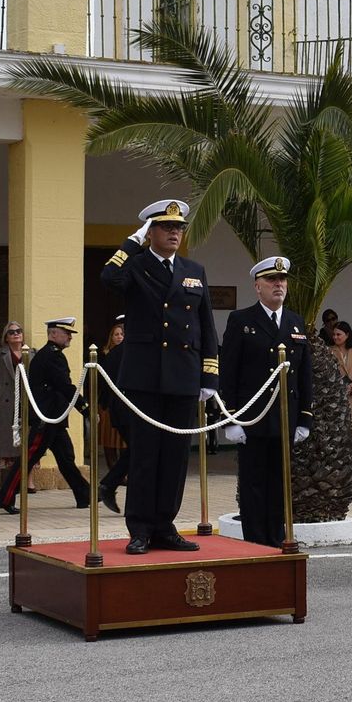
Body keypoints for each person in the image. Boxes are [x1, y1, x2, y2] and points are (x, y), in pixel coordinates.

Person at [100, 198, 216, 554]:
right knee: (145, 454)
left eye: (178, 228)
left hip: (182, 377)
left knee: (175, 457)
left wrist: (209, 376)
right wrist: (130, 243)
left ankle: (165, 525)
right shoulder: (135, 266)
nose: (174, 233)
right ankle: (140, 529)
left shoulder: (193, 270)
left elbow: (206, 325)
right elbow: (109, 277)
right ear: (150, 232)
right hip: (145, 376)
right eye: (166, 227)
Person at [219, 258, 314, 547]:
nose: (279, 285)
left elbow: (305, 373)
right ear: (257, 287)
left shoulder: (295, 321)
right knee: (254, 485)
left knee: (280, 485)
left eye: (282, 280)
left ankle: (277, 539)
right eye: (272, 281)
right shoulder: (241, 320)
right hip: (253, 420)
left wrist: (305, 418)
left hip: (285, 419)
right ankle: (256, 543)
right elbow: (229, 371)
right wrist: (233, 418)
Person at [0, 318, 90, 514]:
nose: (70, 336)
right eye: (66, 333)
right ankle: (5, 497)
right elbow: (65, 386)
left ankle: (84, 495)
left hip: (54, 417)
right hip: (46, 418)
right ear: (53, 334)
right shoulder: (52, 356)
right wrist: (84, 406)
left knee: (66, 458)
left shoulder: (51, 354)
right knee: (28, 458)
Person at [96, 316, 131, 514]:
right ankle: (109, 485)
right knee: (142, 451)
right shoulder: (128, 352)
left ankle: (109, 484)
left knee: (137, 451)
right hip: (130, 410)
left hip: (120, 411)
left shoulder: (115, 354)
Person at [0, 322, 25, 474]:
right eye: (11, 332)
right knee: (7, 445)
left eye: (18, 331)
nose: (16, 334)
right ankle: (7, 482)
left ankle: (29, 482)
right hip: (6, 404)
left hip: (27, 404)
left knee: (28, 445)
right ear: (6, 338)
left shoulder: (32, 353)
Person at [99, 318, 127, 469]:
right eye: (116, 334)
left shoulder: (127, 355)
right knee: (109, 440)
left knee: (123, 442)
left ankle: (122, 473)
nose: (118, 337)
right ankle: (113, 470)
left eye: (121, 334)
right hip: (106, 402)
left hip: (123, 401)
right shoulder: (104, 355)